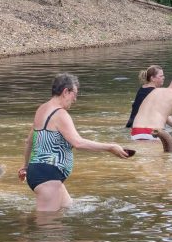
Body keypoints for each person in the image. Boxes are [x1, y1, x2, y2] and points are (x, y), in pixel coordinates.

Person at [18, 73, 130, 212]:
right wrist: (110, 147)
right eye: (74, 94)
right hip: (48, 176)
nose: (75, 99)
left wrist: (26, 166)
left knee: (67, 209)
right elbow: (78, 143)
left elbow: (29, 141)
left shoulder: (41, 109)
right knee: (48, 226)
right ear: (65, 91)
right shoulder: (60, 114)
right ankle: (20, 231)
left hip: (41, 172)